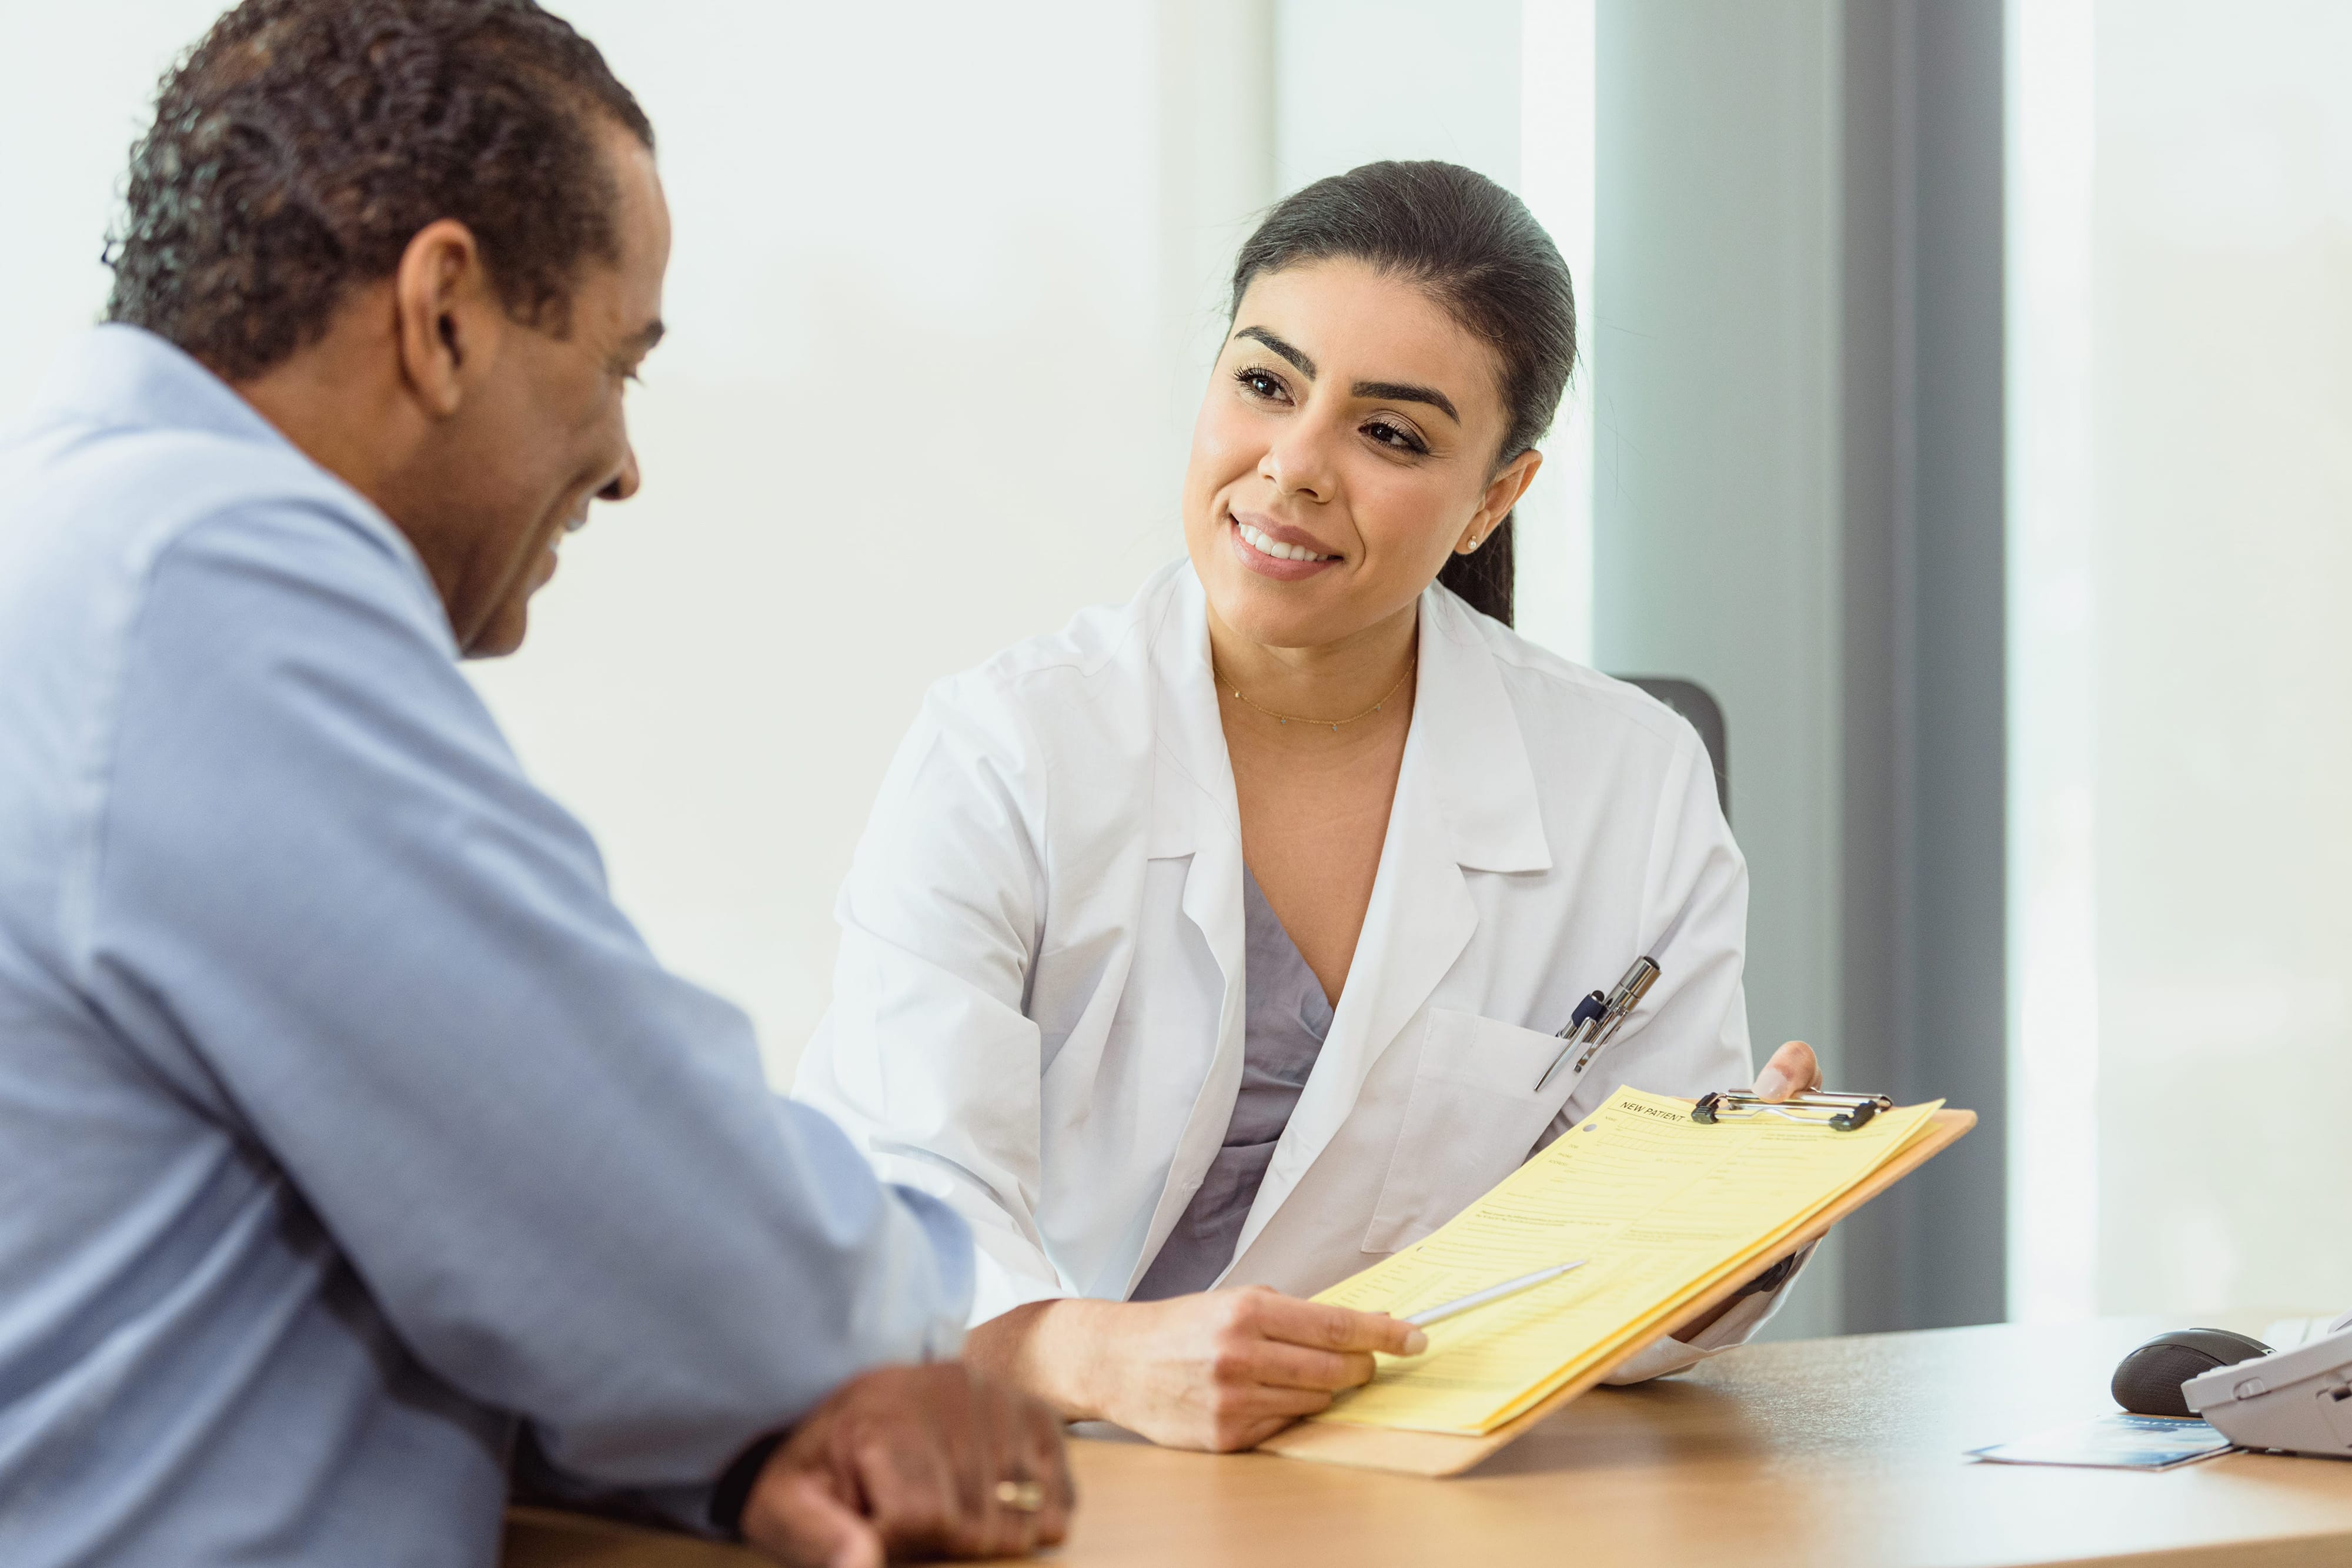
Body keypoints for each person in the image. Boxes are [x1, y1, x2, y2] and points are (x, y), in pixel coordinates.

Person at [0, 4, 1070, 1564]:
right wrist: (873, 1346)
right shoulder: (199, 576)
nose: (627, 459)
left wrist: (731, 1441)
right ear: (443, 315)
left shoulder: (74, 542)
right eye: (617, 360)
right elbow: (700, 1261)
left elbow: (423, 1240)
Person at [794, 160, 1826, 1453]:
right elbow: (899, 1188)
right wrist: (1094, 1354)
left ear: (1493, 497)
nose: (1291, 466)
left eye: (1387, 433)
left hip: (1428, 1492)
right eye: (1265, 383)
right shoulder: (1009, 748)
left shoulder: (1629, 777)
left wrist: (1727, 1234)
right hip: (1054, 1468)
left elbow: (1622, 1301)